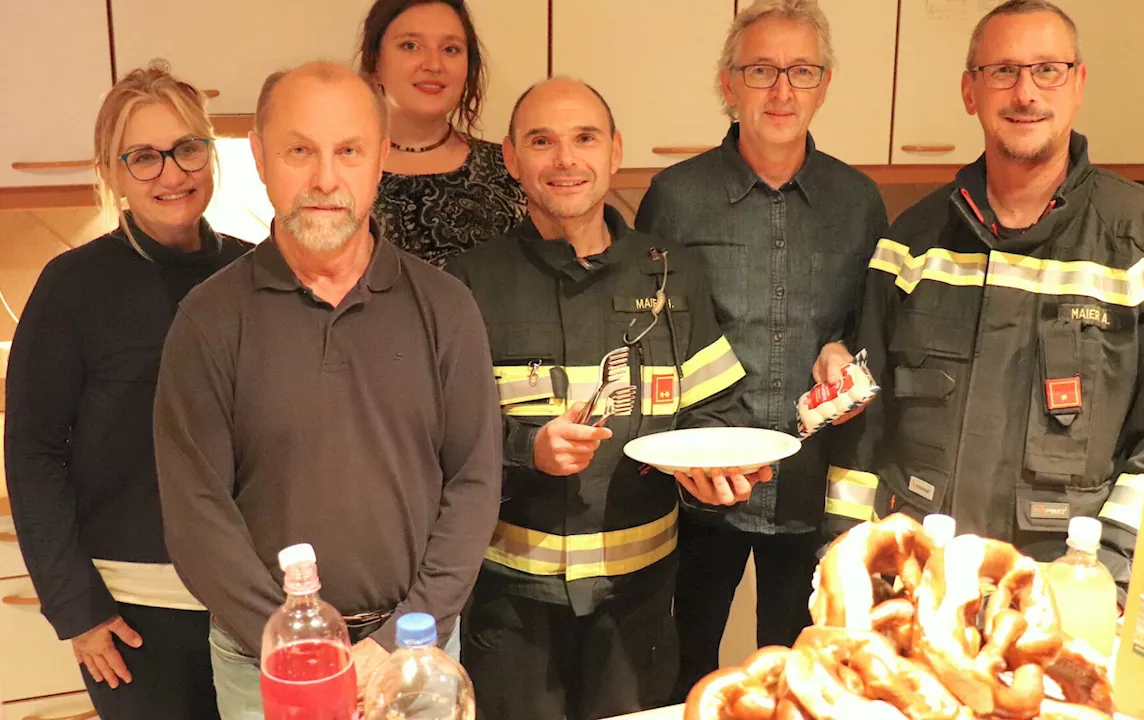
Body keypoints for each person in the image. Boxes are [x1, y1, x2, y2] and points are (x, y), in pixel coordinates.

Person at [815, 0, 1144, 598]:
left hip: (1064, 593)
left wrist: (1099, 579)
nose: (1025, 92)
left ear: (1078, 83)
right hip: (914, 585)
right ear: (970, 91)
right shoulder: (911, 243)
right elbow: (862, 427)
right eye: (1002, 71)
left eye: (1048, 70)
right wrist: (843, 555)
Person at [152, 61, 502, 718]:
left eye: (348, 151)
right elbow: (197, 517)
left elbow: (474, 484)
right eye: (299, 151)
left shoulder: (446, 307)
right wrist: (304, 649)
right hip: (268, 663)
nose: (324, 179)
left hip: (418, 653)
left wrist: (401, 637)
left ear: (381, 159)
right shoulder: (209, 320)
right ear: (259, 156)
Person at [447, 77, 770, 720]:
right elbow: (437, 439)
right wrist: (525, 448)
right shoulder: (467, 283)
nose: (566, 159)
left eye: (584, 138)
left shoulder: (673, 274)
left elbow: (714, 411)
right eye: (542, 141)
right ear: (512, 158)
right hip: (508, 609)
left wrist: (707, 471)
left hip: (640, 609)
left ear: (615, 151)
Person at [634, 0, 888, 699]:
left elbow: (874, 329)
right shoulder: (675, 197)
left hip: (812, 483)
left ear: (825, 85)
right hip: (702, 481)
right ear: (728, 83)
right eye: (761, 70)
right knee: (685, 670)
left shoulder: (859, 201)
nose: (782, 91)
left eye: (801, 71)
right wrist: (679, 451)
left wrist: (846, 352)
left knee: (797, 674)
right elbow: (650, 339)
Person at [4, 67, 251, 720]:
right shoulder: (73, 286)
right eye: (144, 156)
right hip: (136, 615)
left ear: (210, 154)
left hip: (254, 597)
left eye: (188, 147)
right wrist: (76, 608)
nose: (171, 173)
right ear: (114, 173)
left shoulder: (255, 274)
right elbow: (32, 452)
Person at [360, 0, 526, 266]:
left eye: (451, 49)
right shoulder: (341, 172)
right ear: (376, 62)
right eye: (410, 45)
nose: (434, 64)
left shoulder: (511, 170)